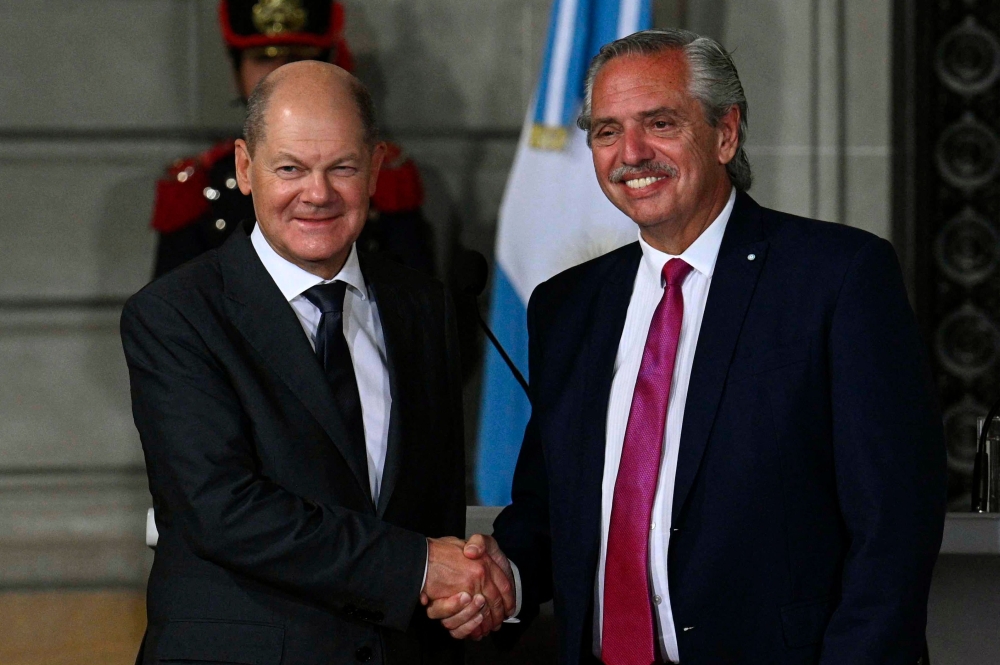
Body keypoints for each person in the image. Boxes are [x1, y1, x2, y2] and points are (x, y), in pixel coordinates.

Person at [430, 29, 947, 664]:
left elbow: (894, 524)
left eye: (661, 122)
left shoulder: (837, 277)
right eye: (606, 131)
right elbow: (551, 505)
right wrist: (502, 582)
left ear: (726, 133)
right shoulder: (567, 306)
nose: (632, 153)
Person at [123, 61, 512, 665]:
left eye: (343, 168)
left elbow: (430, 506)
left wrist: (463, 588)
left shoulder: (423, 304)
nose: (318, 194)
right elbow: (221, 509)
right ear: (245, 169)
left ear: (376, 168)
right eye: (290, 169)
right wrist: (416, 568)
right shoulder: (175, 315)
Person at [150, 0, 434, 279]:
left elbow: (416, 306)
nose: (281, 72)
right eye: (263, 58)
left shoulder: (388, 178)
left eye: (298, 57)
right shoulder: (195, 186)